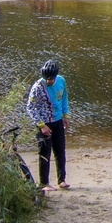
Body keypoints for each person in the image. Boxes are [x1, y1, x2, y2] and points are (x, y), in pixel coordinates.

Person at [25, 58, 70, 191]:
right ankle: (44, 183)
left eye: (51, 79)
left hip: (57, 121)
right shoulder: (38, 87)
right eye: (47, 79)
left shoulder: (61, 81)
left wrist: (66, 115)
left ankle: (62, 180)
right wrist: (41, 125)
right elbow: (30, 107)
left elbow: (64, 98)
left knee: (60, 151)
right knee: (44, 153)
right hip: (44, 123)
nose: (49, 81)